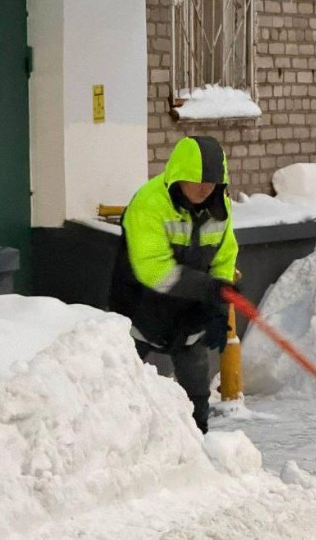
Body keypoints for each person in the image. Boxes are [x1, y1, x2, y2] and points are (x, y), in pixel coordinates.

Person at [109, 136, 238, 434]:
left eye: (211, 183)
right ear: (178, 176)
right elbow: (154, 270)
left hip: (188, 314)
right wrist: (207, 288)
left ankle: (197, 440)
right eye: (196, 181)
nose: (204, 189)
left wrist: (218, 305)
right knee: (117, 385)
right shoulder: (149, 203)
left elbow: (225, 256)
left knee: (197, 391)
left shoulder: (220, 207)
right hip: (138, 308)